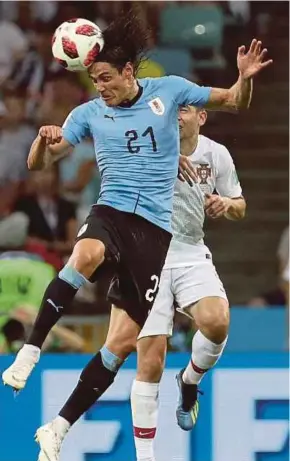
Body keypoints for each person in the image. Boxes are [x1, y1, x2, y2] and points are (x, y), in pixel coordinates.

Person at [2, 7, 272, 460]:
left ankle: (59, 427)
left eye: (106, 78)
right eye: (95, 80)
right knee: (84, 255)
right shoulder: (88, 111)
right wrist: (42, 142)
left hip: (155, 234)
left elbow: (233, 101)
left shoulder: (171, 92)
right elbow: (40, 165)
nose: (100, 88)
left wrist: (243, 78)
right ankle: (29, 351)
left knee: (122, 346)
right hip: (112, 213)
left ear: (128, 71)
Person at [130, 105, 246, 461]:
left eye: (184, 110)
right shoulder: (149, 146)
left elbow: (241, 206)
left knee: (217, 321)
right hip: (146, 253)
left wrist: (224, 203)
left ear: (201, 117)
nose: (176, 116)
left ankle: (190, 381)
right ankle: (145, 457)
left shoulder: (217, 154)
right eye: (172, 111)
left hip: (190, 250)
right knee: (150, 358)